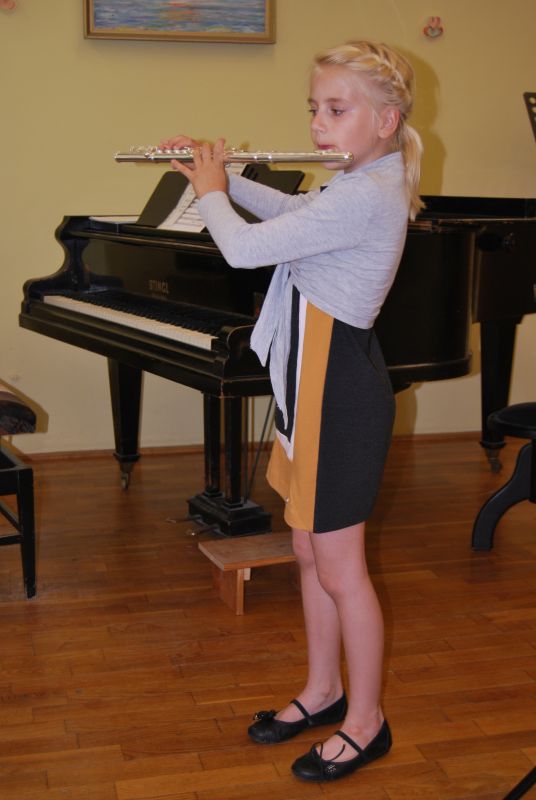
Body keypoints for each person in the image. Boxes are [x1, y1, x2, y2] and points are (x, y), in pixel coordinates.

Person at [161, 39, 423, 783]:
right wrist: (222, 174)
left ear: (385, 120)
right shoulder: (354, 181)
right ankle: (323, 689)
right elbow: (289, 211)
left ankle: (366, 723)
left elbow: (245, 250)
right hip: (311, 386)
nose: (317, 123)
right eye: (314, 108)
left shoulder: (368, 193)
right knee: (309, 553)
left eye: (336, 110)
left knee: (342, 568)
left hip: (339, 396)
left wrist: (214, 190)